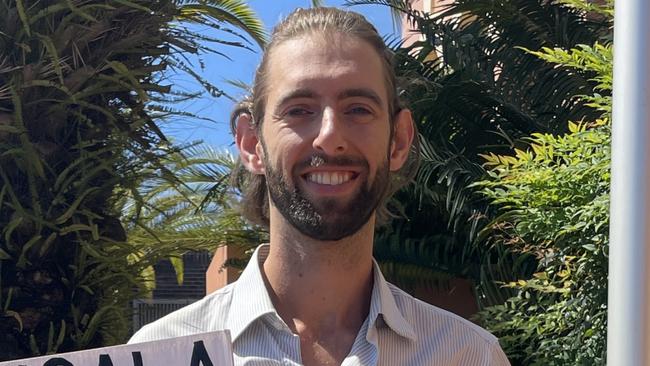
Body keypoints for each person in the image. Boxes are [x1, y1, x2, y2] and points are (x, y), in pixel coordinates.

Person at [129, 7, 510, 366]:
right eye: (299, 110)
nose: (329, 137)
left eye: (358, 109)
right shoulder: (157, 354)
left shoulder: (468, 355)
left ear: (398, 141)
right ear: (251, 144)